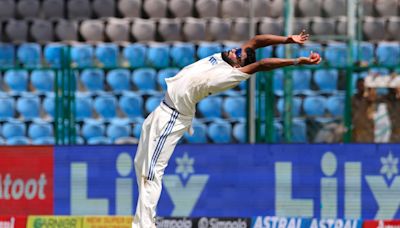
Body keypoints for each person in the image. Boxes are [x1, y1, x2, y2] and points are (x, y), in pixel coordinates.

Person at [132, 31, 321, 228]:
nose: (235, 50)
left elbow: (262, 65)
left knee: (152, 173)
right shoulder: (225, 58)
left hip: (171, 118)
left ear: (239, 66)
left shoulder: (231, 74)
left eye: (238, 54)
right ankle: (142, 222)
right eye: (238, 50)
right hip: (161, 111)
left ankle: (145, 226)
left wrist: (297, 60)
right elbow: (257, 40)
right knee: (141, 165)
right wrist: (288, 40)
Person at [351, 77, 376, 142]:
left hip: (367, 129)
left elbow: (372, 98)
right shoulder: (353, 98)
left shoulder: (368, 98)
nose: (360, 88)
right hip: (357, 129)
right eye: (359, 86)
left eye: (362, 85)